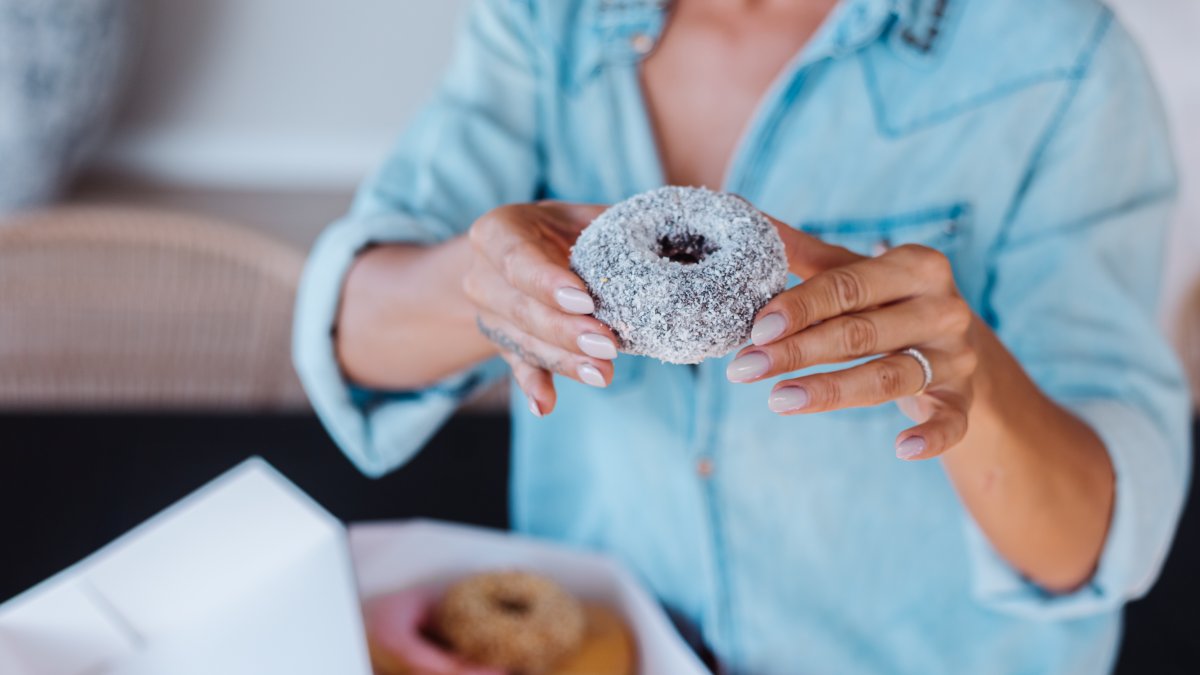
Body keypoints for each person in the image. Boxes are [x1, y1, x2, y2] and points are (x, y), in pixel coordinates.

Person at [293, 0, 1191, 672]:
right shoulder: (547, 21)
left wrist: (973, 381)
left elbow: (1088, 543)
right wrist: (484, 281)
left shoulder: (1055, 58)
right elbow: (351, 338)